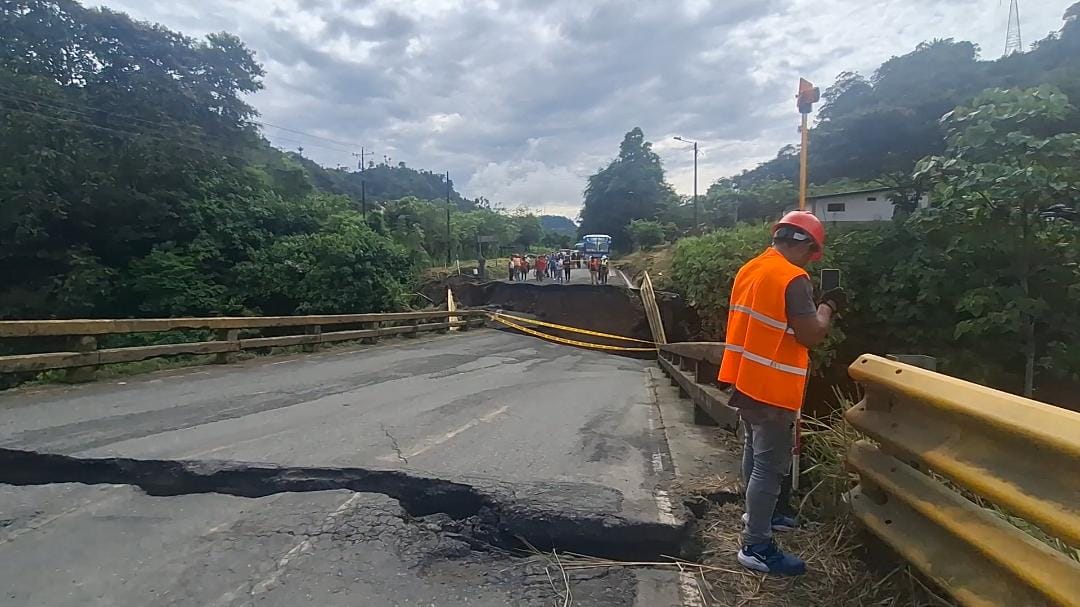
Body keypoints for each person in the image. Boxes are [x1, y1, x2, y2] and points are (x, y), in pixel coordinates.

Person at [718, 211, 845, 577]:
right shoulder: (793, 278)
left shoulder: (752, 268)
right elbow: (810, 334)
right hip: (772, 385)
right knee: (770, 467)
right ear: (804, 244)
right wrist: (829, 306)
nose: (810, 260)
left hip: (747, 378)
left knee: (753, 452)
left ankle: (763, 514)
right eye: (812, 252)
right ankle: (756, 545)